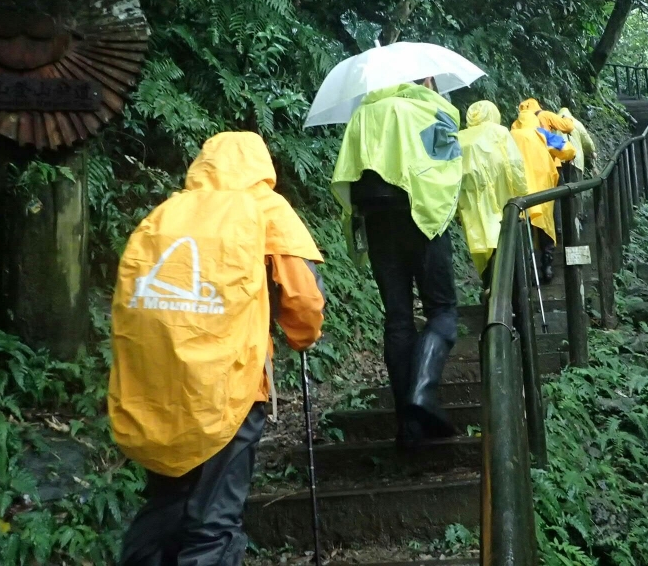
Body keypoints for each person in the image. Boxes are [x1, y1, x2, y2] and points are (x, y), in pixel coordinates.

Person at [109, 131, 326, 566]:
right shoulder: (265, 209)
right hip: (233, 383)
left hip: (160, 383)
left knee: (167, 504)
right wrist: (301, 336)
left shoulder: (167, 212)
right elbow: (303, 299)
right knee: (213, 519)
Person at [331, 78, 463, 447]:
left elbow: (348, 174)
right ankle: (422, 394)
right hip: (423, 220)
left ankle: (408, 425)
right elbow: (449, 165)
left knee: (399, 318)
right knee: (443, 310)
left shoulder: (365, 113)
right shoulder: (429, 108)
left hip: (377, 222)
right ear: (423, 80)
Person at [456, 100, 529, 301]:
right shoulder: (500, 132)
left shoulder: (460, 138)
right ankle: (504, 298)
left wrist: (454, 212)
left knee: (482, 243)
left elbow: (450, 176)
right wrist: (523, 194)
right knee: (502, 238)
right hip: (502, 194)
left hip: (469, 201)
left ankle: (489, 283)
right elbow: (515, 165)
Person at [510, 98, 575, 282]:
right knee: (545, 224)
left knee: (524, 229)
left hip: (518, 191)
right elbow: (568, 150)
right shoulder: (540, 133)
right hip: (542, 189)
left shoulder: (509, 136)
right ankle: (546, 267)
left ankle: (527, 271)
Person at [557, 106, 598, 177]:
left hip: (557, 161)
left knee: (560, 186)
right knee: (576, 185)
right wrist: (592, 150)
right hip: (575, 161)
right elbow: (586, 140)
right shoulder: (576, 123)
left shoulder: (552, 121)